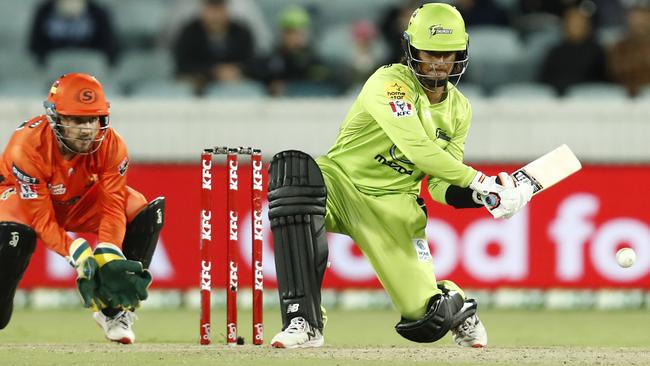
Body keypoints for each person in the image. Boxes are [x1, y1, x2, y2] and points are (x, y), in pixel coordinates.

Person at [267, 3, 533, 349]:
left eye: (446, 54)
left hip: (395, 209)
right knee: (294, 177)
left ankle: (456, 303)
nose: (438, 62)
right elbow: (417, 147)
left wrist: (484, 197)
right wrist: (479, 181)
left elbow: (438, 184)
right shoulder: (389, 83)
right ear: (411, 50)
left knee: (427, 320)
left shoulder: (459, 110)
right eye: (430, 53)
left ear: (460, 54)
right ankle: (304, 323)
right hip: (340, 183)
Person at [0, 73, 165, 344]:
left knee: (140, 210)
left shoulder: (112, 143)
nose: (87, 129)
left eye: (92, 119)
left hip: (77, 200)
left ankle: (113, 312)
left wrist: (110, 251)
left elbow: (113, 204)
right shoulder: (26, 147)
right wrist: (73, 251)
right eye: (76, 120)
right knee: (12, 235)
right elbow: (39, 218)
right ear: (57, 119)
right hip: (21, 204)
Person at [172, 0, 255, 94]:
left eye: (219, 10)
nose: (216, 16)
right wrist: (215, 72)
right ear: (202, 11)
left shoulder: (241, 32)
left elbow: (251, 62)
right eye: (211, 10)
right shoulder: (189, 32)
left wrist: (237, 70)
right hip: (199, 84)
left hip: (236, 84)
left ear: (227, 11)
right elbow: (183, 64)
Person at [539, 6, 607, 95]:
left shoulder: (597, 51)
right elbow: (543, 80)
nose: (577, 26)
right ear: (565, 25)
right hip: (557, 101)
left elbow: (602, 81)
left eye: (580, 22)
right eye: (573, 22)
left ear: (588, 25)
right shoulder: (555, 52)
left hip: (588, 98)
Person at [29, 0, 120, 66]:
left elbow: (109, 47)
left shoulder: (98, 13)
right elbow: (35, 46)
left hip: (89, 70)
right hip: (54, 70)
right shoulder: (44, 12)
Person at [607, 2, 650, 96]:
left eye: (644, 18)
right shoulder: (619, 47)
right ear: (628, 21)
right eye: (636, 19)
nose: (640, 23)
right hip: (625, 98)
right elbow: (616, 72)